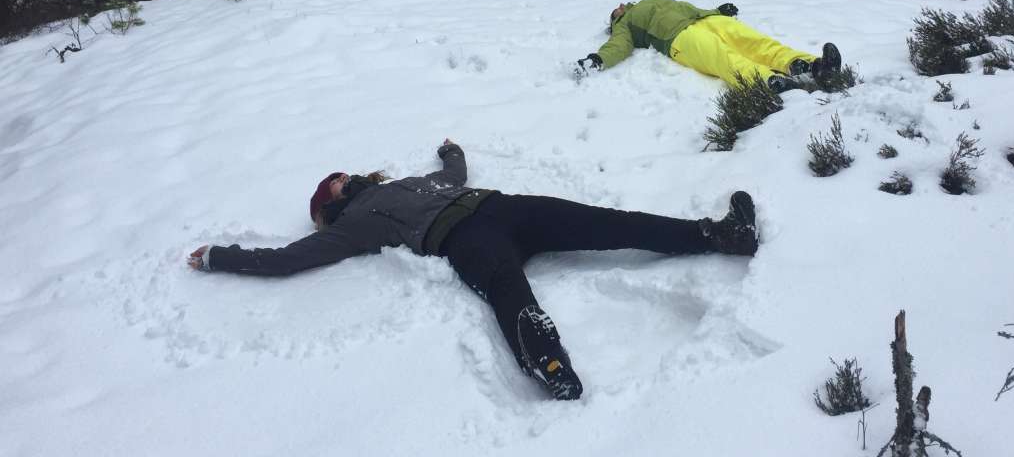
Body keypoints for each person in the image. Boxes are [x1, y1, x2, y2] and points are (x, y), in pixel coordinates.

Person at [187, 140, 759, 400]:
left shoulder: (404, 184)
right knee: (508, 290)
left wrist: (450, 153)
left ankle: (718, 235)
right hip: (464, 237)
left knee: (608, 221)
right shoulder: (356, 222)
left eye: (343, 173)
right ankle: (551, 366)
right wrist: (222, 256)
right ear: (332, 204)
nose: (347, 175)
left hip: (503, 206)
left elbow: (453, 180)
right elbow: (291, 259)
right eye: (336, 182)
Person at [573, 0, 842, 93]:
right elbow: (619, 45)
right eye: (615, 10)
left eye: (619, 6)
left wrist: (716, 10)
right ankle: (770, 84)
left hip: (703, 19)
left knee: (753, 41)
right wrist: (598, 59)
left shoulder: (645, 1)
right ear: (615, 18)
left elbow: (683, 6)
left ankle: (809, 66)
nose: (619, 6)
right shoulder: (624, 24)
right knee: (723, 58)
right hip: (677, 39)